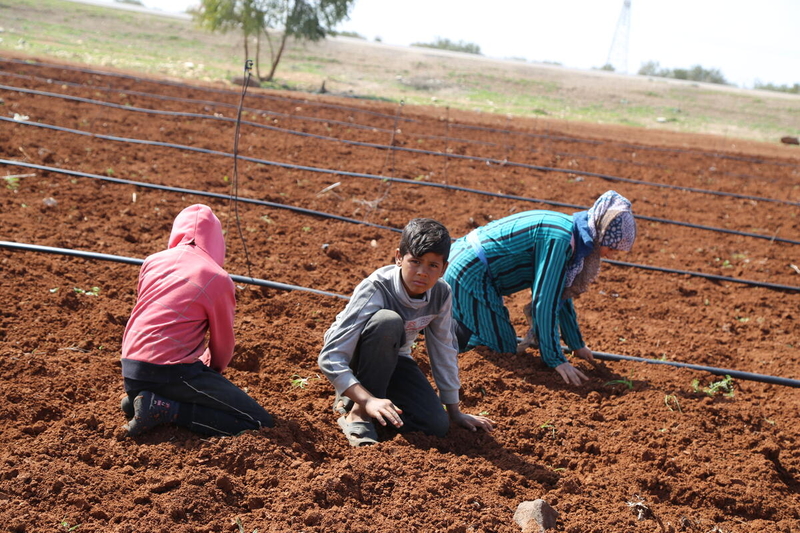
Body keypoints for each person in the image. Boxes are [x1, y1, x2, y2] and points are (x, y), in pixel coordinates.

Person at [318, 218, 494, 447]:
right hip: (356, 356)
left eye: (433, 265)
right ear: (399, 257)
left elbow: (444, 349)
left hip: (395, 358)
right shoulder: (377, 287)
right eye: (416, 261)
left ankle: (365, 403)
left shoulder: (441, 294)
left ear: (444, 268)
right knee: (388, 322)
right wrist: (368, 400)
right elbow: (331, 355)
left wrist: (454, 412)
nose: (423, 272)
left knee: (436, 426)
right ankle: (358, 412)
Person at [444, 190, 637, 386]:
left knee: (499, 342)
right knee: (499, 349)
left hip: (471, 267)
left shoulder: (572, 234)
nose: (611, 255)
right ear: (600, 232)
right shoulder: (561, 239)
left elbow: (561, 292)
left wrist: (576, 344)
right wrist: (555, 359)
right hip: (469, 271)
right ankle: (441, 340)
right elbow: (545, 301)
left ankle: (444, 329)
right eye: (611, 248)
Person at [120, 204, 273, 437]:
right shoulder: (216, 277)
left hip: (131, 367)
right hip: (169, 371)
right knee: (259, 422)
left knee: (196, 388)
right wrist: (211, 372)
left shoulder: (152, 261)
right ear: (216, 240)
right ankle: (167, 409)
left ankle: (139, 398)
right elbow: (222, 344)